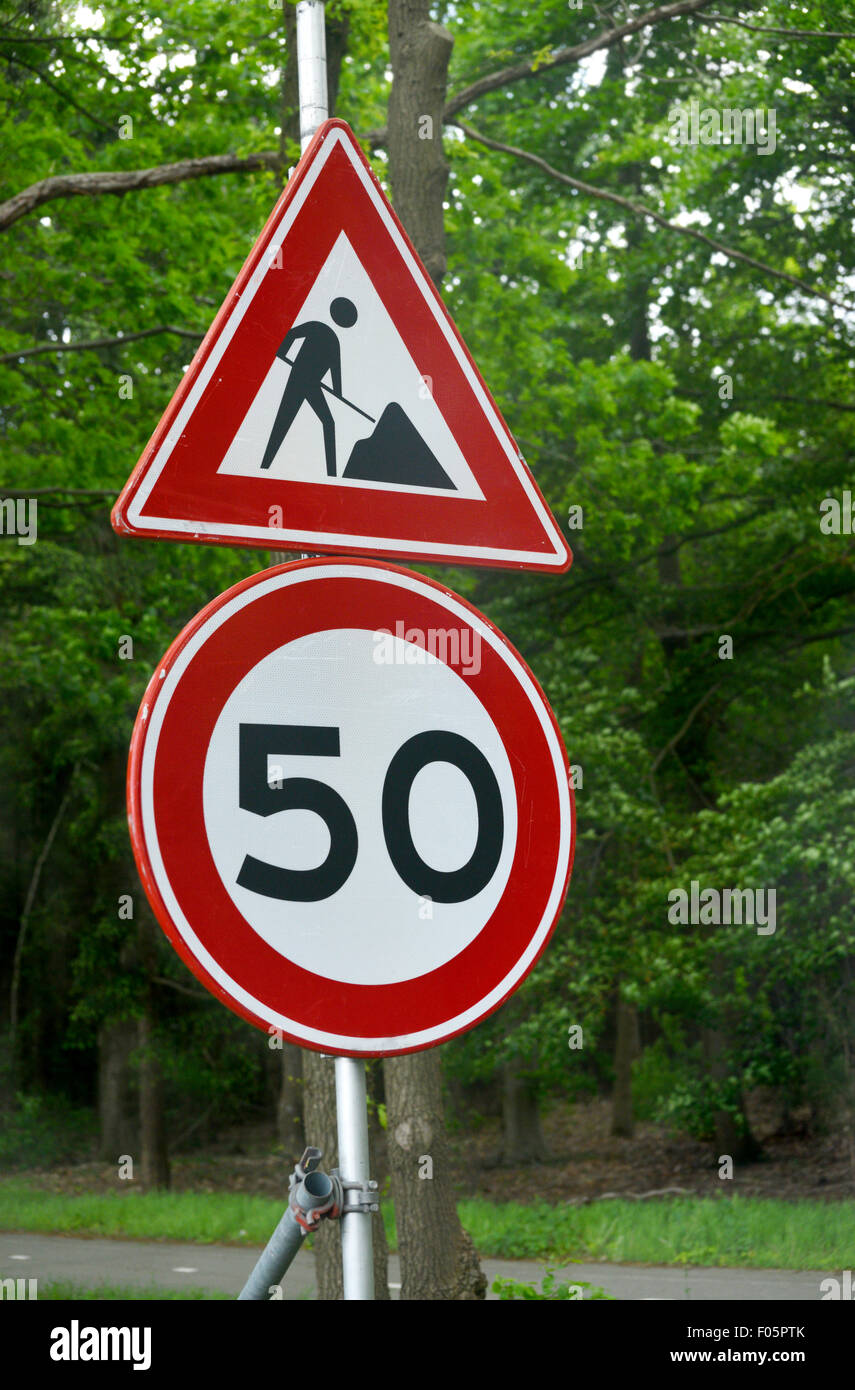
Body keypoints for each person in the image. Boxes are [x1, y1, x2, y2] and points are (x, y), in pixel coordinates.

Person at [260, 297, 358, 477]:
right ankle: (264, 466)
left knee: (327, 422)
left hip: (312, 384)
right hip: (298, 379)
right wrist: (281, 353)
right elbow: (291, 334)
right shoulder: (319, 329)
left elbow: (335, 370)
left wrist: (338, 393)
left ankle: (332, 475)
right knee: (283, 421)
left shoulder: (331, 339)